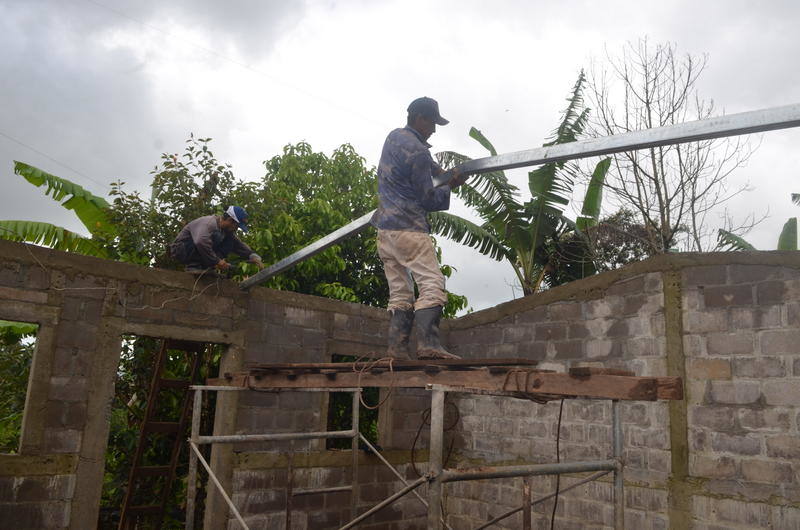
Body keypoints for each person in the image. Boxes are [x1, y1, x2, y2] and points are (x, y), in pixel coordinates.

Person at [371, 97, 466, 360]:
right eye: (432, 123)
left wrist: (443, 173)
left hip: (385, 231)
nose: (434, 129)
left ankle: (397, 350)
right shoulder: (418, 151)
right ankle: (429, 345)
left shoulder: (394, 138)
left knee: (400, 292)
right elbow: (427, 198)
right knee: (432, 283)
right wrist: (450, 186)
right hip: (409, 229)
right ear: (420, 118)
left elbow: (421, 165)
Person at [169, 205, 264, 274]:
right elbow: (200, 242)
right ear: (230, 220)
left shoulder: (226, 231)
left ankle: (205, 268)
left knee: (231, 241)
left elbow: (238, 245)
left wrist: (252, 256)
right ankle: (193, 266)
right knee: (206, 239)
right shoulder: (209, 223)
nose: (236, 229)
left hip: (197, 248)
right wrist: (217, 261)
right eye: (236, 226)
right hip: (181, 249)